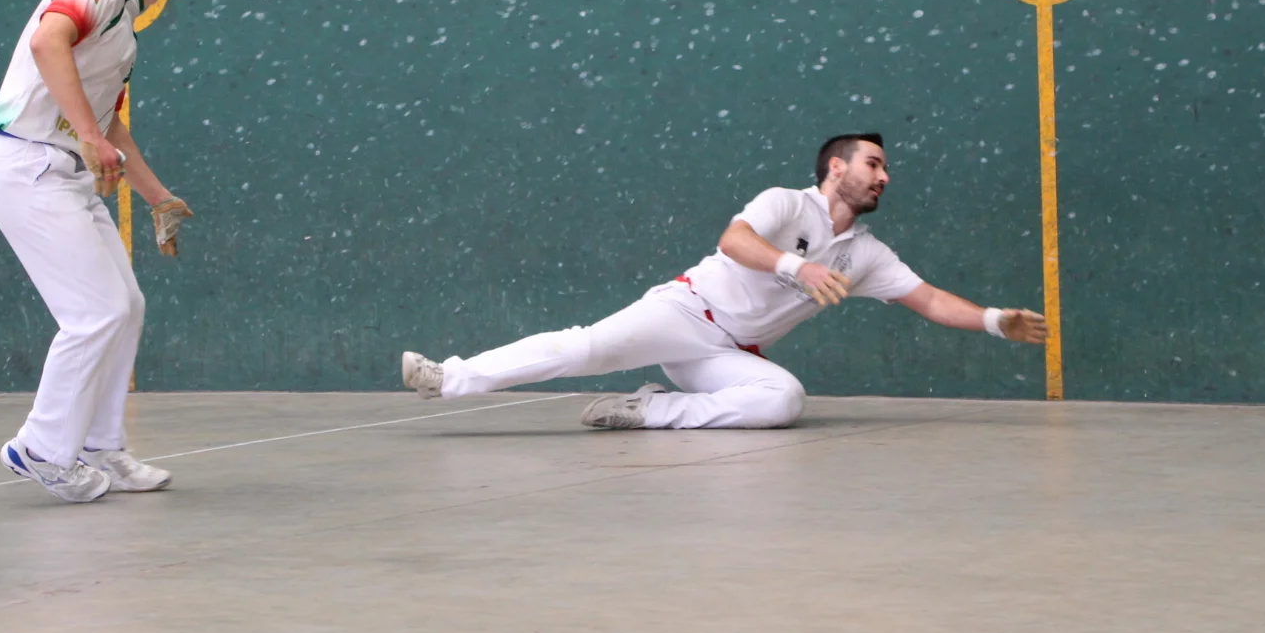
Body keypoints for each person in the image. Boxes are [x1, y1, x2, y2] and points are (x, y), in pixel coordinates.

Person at [400, 133, 1046, 429]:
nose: (884, 177)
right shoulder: (784, 203)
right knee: (585, 348)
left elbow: (928, 299)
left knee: (783, 400)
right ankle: (448, 377)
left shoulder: (867, 254)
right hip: (686, 311)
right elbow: (734, 240)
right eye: (873, 164)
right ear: (835, 167)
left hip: (727, 354)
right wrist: (796, 266)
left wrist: (995, 321)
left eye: (885, 169)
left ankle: (651, 410)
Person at [0, 0, 202, 501]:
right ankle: (41, 449)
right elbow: (47, 43)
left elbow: (108, 125)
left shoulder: (124, 28)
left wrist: (158, 198)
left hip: (64, 175)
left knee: (125, 306)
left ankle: (101, 445)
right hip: (26, 166)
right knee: (95, 313)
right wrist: (91, 136)